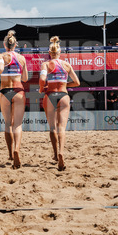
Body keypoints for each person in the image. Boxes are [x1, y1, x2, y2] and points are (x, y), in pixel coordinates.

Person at [39, 36, 80, 171]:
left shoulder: (46, 64)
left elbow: (42, 79)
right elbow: (77, 82)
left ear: (49, 53)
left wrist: (41, 88)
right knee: (61, 128)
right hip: (63, 95)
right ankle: (61, 152)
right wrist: (65, 84)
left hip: (50, 95)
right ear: (60, 52)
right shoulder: (66, 65)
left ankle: (56, 155)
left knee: (52, 128)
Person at [0, 30, 28, 167]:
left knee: (8, 124)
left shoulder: (1, 55)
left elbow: (1, 68)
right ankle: (16, 149)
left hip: (5, 90)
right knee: (17, 124)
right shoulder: (21, 58)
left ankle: (10, 154)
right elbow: (25, 78)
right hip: (18, 91)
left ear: (4, 44)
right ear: (15, 45)